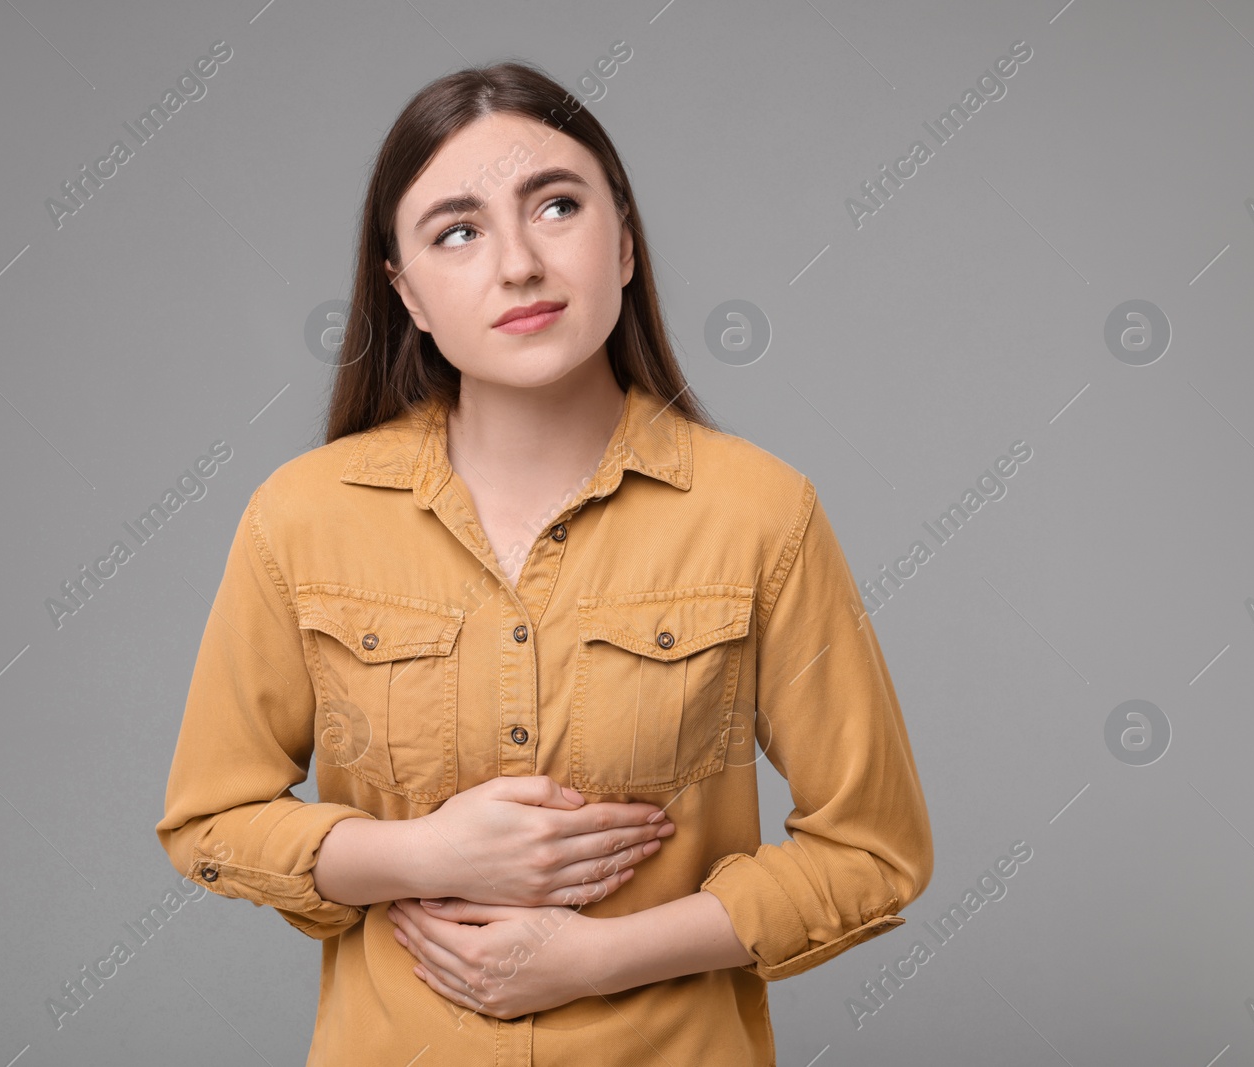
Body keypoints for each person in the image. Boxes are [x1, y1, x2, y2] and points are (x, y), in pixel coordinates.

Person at [155, 59, 933, 1066]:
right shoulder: (300, 516)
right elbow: (210, 819)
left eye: (555, 206)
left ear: (624, 242)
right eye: (458, 231)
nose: (517, 263)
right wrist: (421, 852)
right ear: (408, 292)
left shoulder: (760, 513)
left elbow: (871, 852)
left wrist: (603, 955)